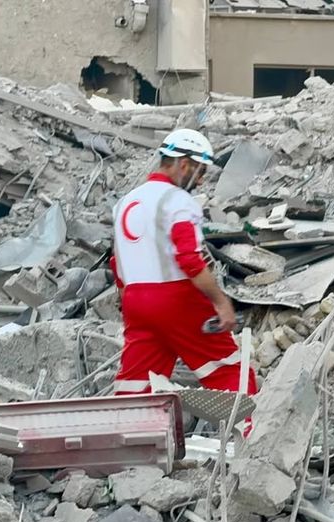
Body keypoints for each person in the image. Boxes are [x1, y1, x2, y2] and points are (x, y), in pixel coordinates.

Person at [108, 128, 258, 435]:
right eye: (200, 171)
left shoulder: (125, 202)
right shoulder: (178, 201)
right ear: (183, 163)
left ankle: (129, 444)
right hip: (176, 298)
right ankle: (252, 439)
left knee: (137, 382)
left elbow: (117, 263)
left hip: (135, 301)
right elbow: (189, 259)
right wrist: (221, 302)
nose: (200, 180)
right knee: (228, 370)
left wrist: (131, 304)